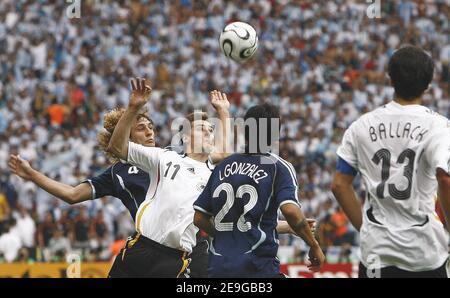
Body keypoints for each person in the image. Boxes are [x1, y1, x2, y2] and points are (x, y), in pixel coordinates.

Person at [332, 45, 450, 278]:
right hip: (423, 253)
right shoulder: (439, 126)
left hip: (376, 253)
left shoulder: (361, 125)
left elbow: (339, 185)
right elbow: (445, 179)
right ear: (428, 84)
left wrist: (365, 228)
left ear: (390, 79)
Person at [106, 78, 231, 277]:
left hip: (174, 260)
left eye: (211, 130)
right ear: (186, 137)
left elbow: (224, 153)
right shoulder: (164, 157)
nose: (208, 134)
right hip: (139, 248)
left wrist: (224, 112)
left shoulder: (213, 178)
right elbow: (116, 148)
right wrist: (133, 108)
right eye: (202, 129)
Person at [193, 103, 325, 277]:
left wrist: (230, 237)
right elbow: (291, 211)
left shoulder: (222, 166)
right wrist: (314, 245)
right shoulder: (278, 167)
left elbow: (199, 218)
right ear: (275, 134)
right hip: (257, 268)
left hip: (218, 268)